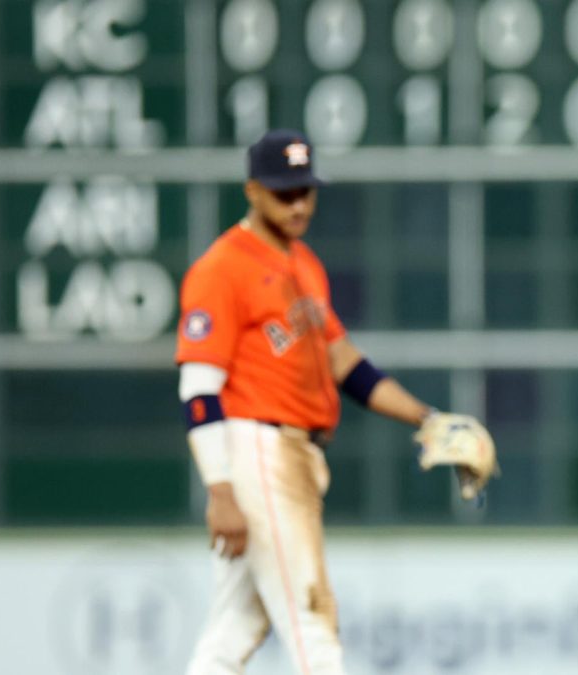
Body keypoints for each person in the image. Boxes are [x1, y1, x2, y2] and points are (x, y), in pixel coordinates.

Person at [176, 129, 497, 675]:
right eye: (284, 192)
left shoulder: (303, 263)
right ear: (252, 191)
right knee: (312, 618)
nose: (298, 204)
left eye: (305, 190)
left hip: (293, 453)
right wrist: (220, 490)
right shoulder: (222, 267)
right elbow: (198, 388)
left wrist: (427, 419)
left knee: (235, 627)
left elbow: (346, 364)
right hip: (261, 451)